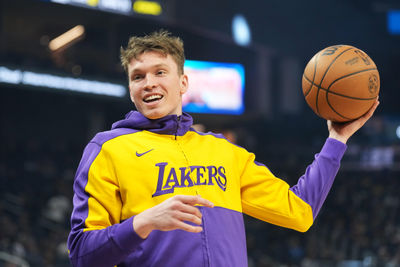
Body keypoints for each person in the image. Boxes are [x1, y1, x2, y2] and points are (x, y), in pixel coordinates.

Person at [67, 30, 379, 267]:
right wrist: (144, 222)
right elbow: (81, 253)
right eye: (138, 77)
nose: (148, 82)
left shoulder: (224, 151)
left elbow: (301, 212)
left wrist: (336, 140)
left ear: (183, 83)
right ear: (131, 89)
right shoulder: (107, 150)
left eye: (160, 72)